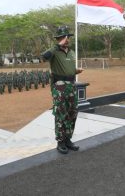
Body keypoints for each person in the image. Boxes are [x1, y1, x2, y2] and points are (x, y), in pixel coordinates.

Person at [42, 26, 83, 154]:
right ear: (59, 38)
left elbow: (68, 67)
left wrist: (75, 71)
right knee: (61, 113)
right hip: (59, 86)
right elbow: (44, 56)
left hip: (71, 85)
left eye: (68, 37)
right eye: (64, 37)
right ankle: (60, 142)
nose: (67, 39)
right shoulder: (54, 51)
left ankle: (68, 139)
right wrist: (57, 45)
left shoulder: (71, 52)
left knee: (72, 112)